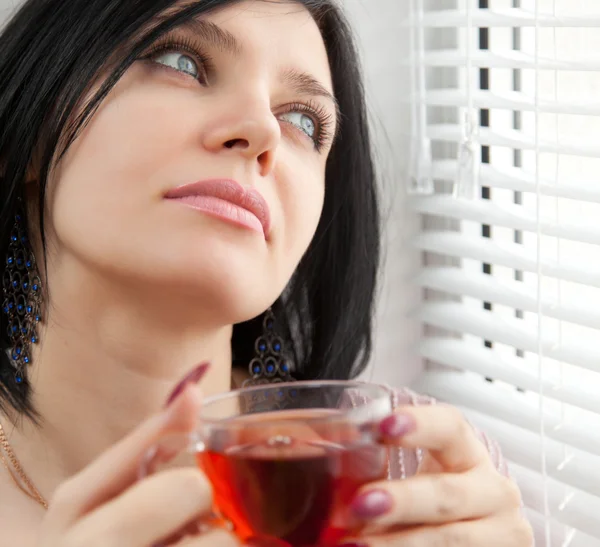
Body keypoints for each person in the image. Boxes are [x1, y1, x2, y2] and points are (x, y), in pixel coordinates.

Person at [0, 0, 533, 545]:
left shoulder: (420, 470)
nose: (263, 132)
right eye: (183, 62)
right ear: (36, 120)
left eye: (303, 121)